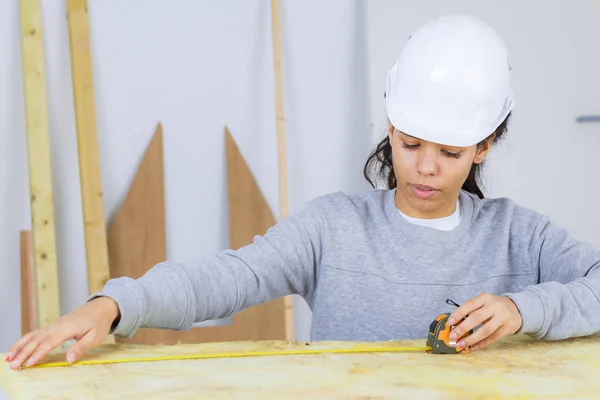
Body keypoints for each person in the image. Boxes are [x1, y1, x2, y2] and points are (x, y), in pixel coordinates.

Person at [6, 14, 600, 370]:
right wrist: (112, 305)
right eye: (411, 143)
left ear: (483, 147)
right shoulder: (332, 229)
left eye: (449, 153)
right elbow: (226, 277)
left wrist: (526, 308)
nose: (425, 169)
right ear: (390, 126)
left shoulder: (518, 236)